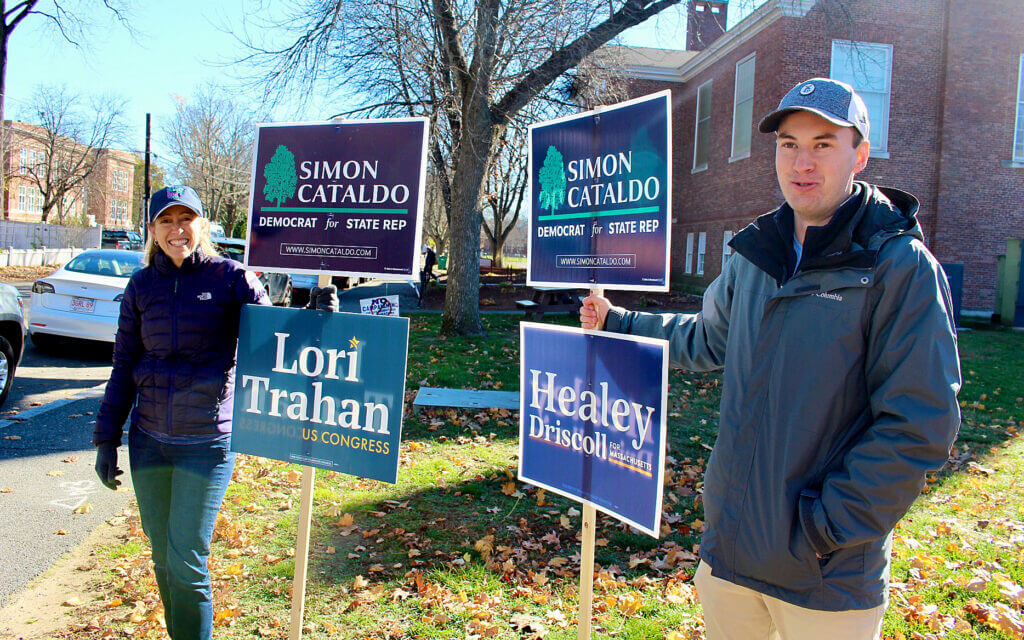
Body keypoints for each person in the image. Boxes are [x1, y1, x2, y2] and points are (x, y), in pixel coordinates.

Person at [581, 78, 961, 639]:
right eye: (789, 144)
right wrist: (618, 322)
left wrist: (822, 529)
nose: (802, 162)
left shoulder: (898, 268)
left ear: (859, 154)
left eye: (823, 144)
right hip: (730, 557)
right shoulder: (754, 253)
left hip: (825, 579)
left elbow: (920, 424)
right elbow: (708, 338)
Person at [93, 186, 271, 639]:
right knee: (161, 557)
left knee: (187, 559)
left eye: (185, 219)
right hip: (149, 442)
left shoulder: (230, 278)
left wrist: (316, 317)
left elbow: (275, 341)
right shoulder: (141, 286)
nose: (177, 230)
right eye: (166, 221)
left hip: (205, 444)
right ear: (151, 230)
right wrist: (106, 438)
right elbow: (124, 364)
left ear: (201, 225)